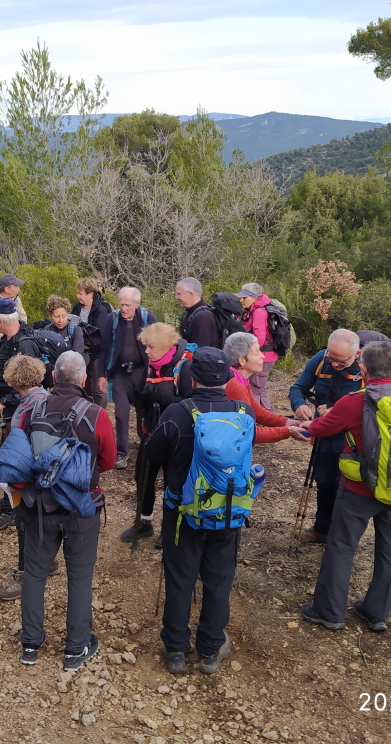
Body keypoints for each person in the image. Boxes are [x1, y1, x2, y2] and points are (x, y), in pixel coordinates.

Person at [143, 347, 256, 675]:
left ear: (192, 377)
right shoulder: (243, 412)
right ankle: (210, 650)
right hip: (228, 511)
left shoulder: (177, 414)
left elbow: (152, 455)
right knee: (219, 580)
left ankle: (176, 650)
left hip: (182, 514)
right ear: (225, 378)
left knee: (180, 579)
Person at [14, 351, 116, 671]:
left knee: (34, 574)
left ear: (53, 377)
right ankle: (75, 649)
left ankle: (30, 645)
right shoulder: (96, 414)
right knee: (80, 577)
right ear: (84, 379)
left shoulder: (31, 409)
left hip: (39, 507)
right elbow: (109, 461)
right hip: (81, 507)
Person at [297, 341, 391, 633]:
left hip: (360, 488)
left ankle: (328, 611)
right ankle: (376, 612)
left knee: (342, 546)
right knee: (389, 551)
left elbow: (319, 429)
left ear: (363, 368)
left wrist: (312, 418)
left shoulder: (356, 401)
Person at [0, 354, 60, 601]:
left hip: (27, 476)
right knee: (45, 519)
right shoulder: (50, 398)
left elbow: (19, 445)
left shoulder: (25, 406)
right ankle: (48, 562)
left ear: (13, 381)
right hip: (50, 472)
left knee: (24, 524)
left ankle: (24, 574)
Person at [287, 329, 364, 544]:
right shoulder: (321, 359)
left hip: (353, 438)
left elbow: (373, 403)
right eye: (332, 359)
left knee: (348, 486)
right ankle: (322, 529)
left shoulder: (365, 367)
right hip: (323, 433)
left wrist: (339, 414)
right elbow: (298, 388)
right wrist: (299, 404)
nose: (335, 364)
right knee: (324, 482)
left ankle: (344, 536)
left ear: (357, 354)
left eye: (341, 361)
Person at [119, 321, 191, 544]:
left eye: (150, 346)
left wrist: (160, 399)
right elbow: (143, 397)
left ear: (166, 346)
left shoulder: (185, 367)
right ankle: (143, 523)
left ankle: (168, 529)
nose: (146, 351)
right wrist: (138, 401)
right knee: (143, 477)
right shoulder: (150, 365)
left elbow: (190, 403)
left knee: (172, 483)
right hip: (151, 433)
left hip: (176, 438)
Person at [0, 298, 42, 532]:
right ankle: (15, 509)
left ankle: (12, 512)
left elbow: (31, 385)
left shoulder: (24, 344)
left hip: (22, 414)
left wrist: (3, 402)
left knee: (12, 461)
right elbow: (13, 377)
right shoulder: (10, 340)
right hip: (12, 410)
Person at [100, 286, 156, 470]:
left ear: (137, 304)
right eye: (121, 304)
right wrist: (102, 375)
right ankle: (122, 453)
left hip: (142, 373)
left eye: (127, 305)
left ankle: (146, 447)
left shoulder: (148, 318)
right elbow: (104, 349)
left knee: (143, 413)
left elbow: (158, 346)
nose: (123, 308)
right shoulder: (112, 319)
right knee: (121, 414)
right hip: (120, 373)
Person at [223, 331, 306, 443]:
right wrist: (287, 431)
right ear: (242, 360)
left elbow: (255, 410)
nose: (263, 356)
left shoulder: (239, 379)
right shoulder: (234, 386)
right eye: (256, 353)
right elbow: (245, 432)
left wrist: (286, 422)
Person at [235, 283, 279, 412]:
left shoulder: (259, 312)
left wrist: (248, 356)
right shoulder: (257, 309)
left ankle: (254, 419)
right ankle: (269, 415)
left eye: (244, 298)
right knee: (261, 387)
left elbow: (258, 339)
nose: (241, 300)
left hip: (263, 356)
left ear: (254, 297)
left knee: (255, 389)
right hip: (268, 356)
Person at [74, 277, 113, 408]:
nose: (78, 296)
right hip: (82, 352)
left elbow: (98, 337)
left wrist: (83, 336)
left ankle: (100, 417)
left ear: (90, 294)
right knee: (85, 386)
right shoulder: (77, 306)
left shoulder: (102, 309)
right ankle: (87, 414)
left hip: (98, 354)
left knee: (98, 389)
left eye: (80, 293)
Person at [35, 295, 86, 361]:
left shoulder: (76, 331)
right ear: (50, 316)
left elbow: (77, 355)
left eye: (64, 316)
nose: (61, 320)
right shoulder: (45, 332)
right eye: (57, 316)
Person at [175, 277, 220, 350]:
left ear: (190, 294)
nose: (176, 297)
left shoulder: (203, 318)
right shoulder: (189, 313)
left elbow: (201, 352)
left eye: (179, 294)